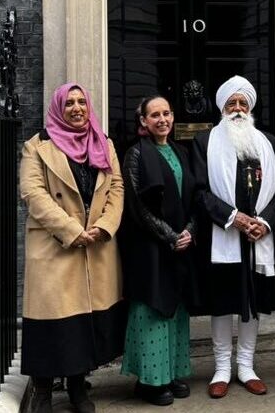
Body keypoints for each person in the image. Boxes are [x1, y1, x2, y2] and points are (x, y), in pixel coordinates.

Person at [19, 83, 126, 413]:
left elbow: (117, 187)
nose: (77, 108)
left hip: (95, 245)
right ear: (58, 108)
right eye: (70, 103)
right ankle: (42, 390)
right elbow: (33, 194)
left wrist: (105, 226)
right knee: (51, 322)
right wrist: (70, 230)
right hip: (56, 247)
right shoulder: (37, 146)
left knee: (84, 323)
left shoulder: (103, 142)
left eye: (82, 102)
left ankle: (79, 387)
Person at [192, 75, 275, 398]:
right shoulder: (205, 142)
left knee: (253, 302)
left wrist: (265, 223)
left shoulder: (268, 143)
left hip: (257, 238)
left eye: (242, 103)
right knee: (223, 303)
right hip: (224, 237)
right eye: (231, 103)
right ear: (222, 108)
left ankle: (246, 366)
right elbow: (200, 192)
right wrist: (233, 218)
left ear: (250, 107)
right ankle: (221, 368)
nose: (237, 108)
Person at [119, 96, 199, 406]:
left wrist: (190, 231)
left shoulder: (181, 151)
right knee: (151, 309)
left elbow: (194, 195)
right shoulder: (135, 155)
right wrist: (169, 236)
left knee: (176, 310)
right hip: (150, 247)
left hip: (180, 246)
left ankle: (172, 373)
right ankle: (150, 381)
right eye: (155, 115)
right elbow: (138, 207)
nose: (162, 119)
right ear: (143, 121)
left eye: (166, 113)